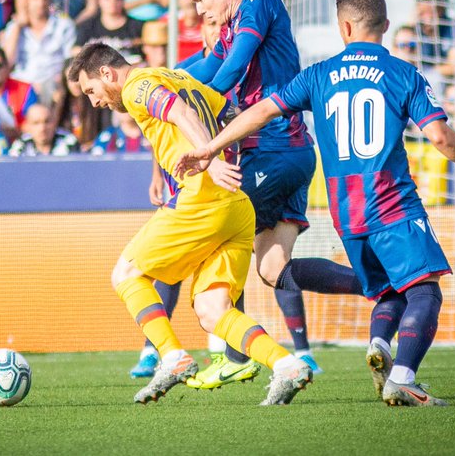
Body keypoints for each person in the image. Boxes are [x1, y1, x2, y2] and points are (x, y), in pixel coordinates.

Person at [175, 0, 455, 406]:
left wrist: (209, 147)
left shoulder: (317, 75)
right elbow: (440, 136)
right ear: (385, 26)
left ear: (344, 28)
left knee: (388, 290)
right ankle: (404, 378)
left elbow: (260, 111)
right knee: (425, 291)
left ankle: (380, 346)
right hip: (392, 202)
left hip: (346, 212)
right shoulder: (404, 73)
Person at [151, 0, 361, 389]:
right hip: (290, 153)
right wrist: (160, 83)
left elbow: (228, 71)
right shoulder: (230, 29)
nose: (198, 10)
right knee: (273, 267)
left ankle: (236, 356)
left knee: (220, 225)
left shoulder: (259, 1)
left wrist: (196, 102)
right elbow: (206, 67)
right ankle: (374, 284)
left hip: (272, 148)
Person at [69, 43, 313, 405]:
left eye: (91, 90)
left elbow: (180, 113)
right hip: (235, 205)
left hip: (201, 200)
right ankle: (287, 365)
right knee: (213, 312)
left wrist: (211, 159)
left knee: (126, 274)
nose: (94, 102)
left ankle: (172, 357)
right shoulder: (178, 77)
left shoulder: (136, 86)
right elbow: (231, 114)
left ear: (107, 73)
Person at [1, 0, 76, 104]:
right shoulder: (14, 28)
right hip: (21, 86)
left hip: (53, 86)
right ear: (27, 0)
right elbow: (7, 62)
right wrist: (17, 27)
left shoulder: (64, 25)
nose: (41, 3)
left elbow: (69, 61)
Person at [74, 0, 144, 64]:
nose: (113, 0)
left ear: (123, 0)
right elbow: (75, 52)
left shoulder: (138, 26)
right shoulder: (87, 26)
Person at [8, 103, 80, 156]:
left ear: (54, 123)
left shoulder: (69, 142)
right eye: (36, 123)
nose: (42, 128)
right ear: (27, 126)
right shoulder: (20, 145)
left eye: (47, 122)